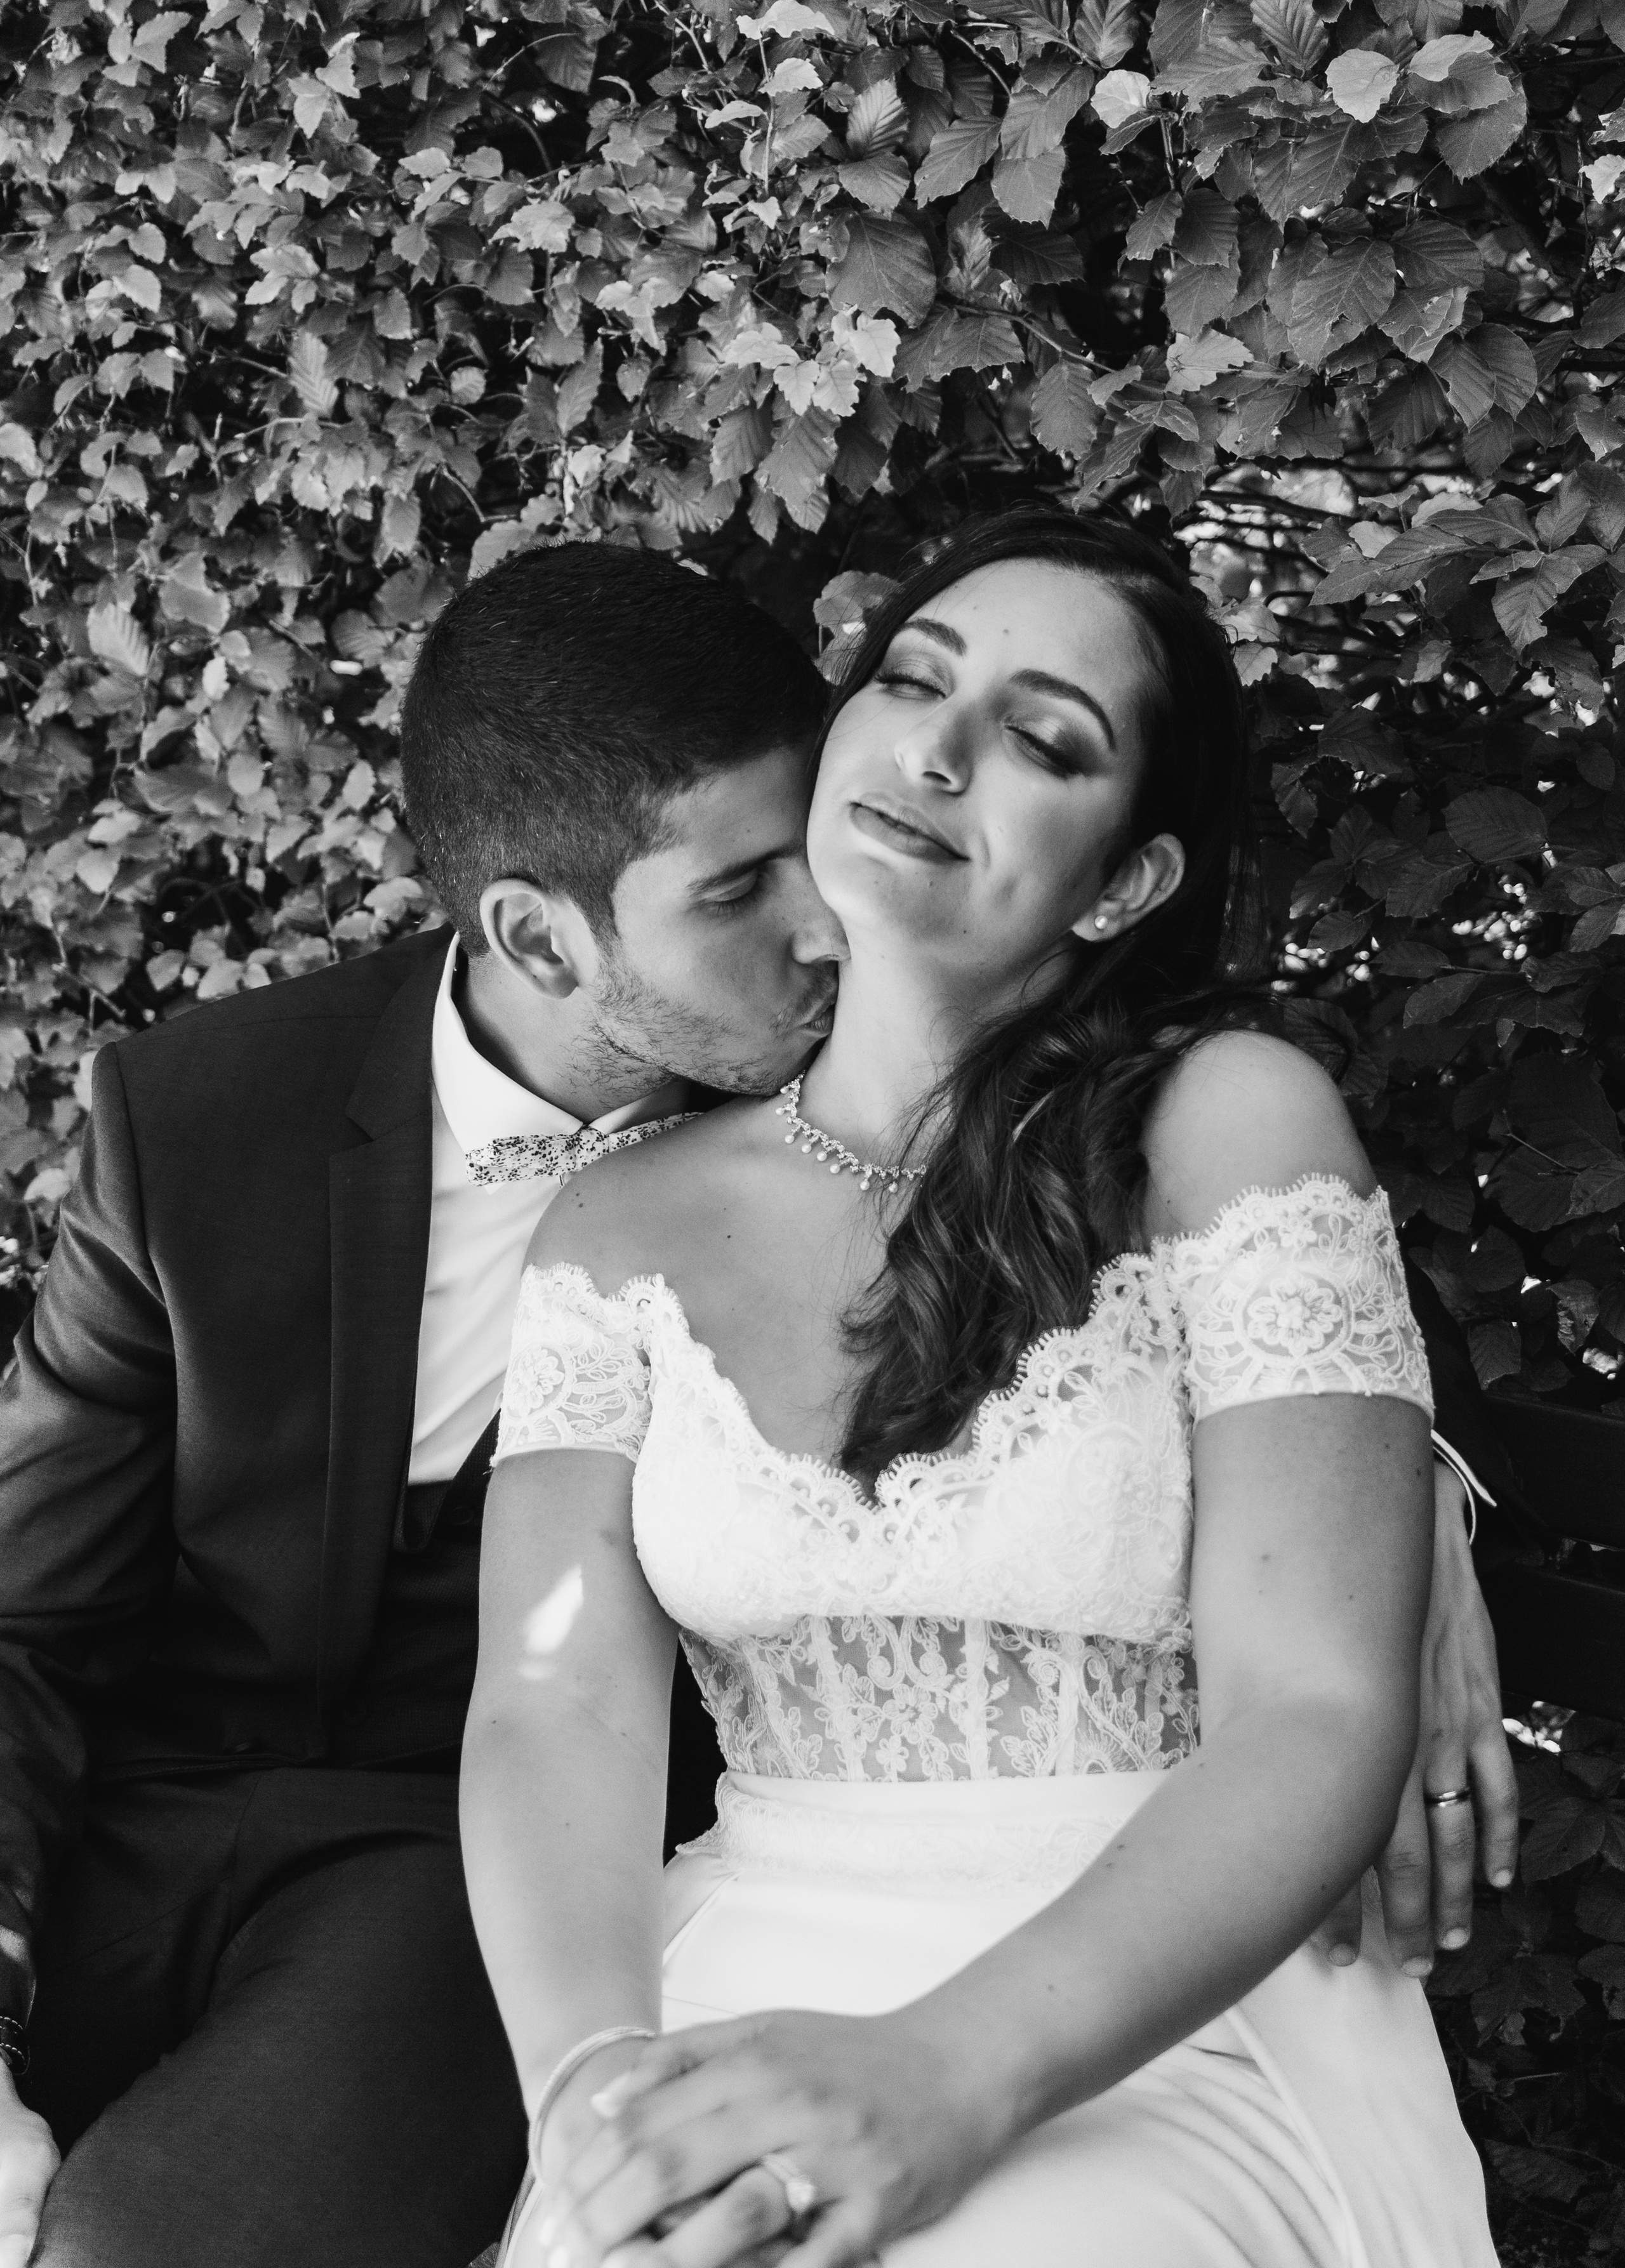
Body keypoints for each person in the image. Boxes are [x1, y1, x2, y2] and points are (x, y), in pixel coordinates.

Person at [463, 510, 1502, 2267]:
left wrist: (947, 2078)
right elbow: (554, 1708)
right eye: (910, 681)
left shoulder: (1228, 1125)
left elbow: (1318, 1711)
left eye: (1042, 739)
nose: (938, 750)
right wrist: (591, 2091)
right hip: (745, 1960)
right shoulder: (618, 1216)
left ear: (1124, 884)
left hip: (1161, 2005)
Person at [0, 545, 842, 2268]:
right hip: (127, 1827)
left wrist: (1403, 1538)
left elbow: (1201, 1255)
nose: (826, 926)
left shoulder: (870, 1102)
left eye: (814, 850)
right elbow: (22, 1617)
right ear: (536, 933)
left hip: (471, 1867)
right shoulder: (197, 1114)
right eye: (741, 887)